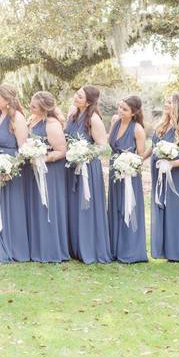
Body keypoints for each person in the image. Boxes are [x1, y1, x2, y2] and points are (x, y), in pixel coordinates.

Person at [148, 93, 179, 262]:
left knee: (178, 211)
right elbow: (153, 146)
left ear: (178, 106)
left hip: (177, 176)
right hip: (158, 173)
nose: (166, 104)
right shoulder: (163, 124)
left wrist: (171, 164)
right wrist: (140, 158)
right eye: (166, 101)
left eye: (169, 102)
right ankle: (167, 250)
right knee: (164, 209)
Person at [65, 85, 112, 264]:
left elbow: (102, 147)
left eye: (80, 96)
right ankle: (74, 247)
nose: (76, 97)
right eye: (76, 94)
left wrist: (84, 153)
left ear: (89, 101)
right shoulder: (72, 113)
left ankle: (90, 247)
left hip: (87, 168)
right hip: (72, 166)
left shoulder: (93, 119)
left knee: (86, 207)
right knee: (73, 205)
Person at [25, 91, 69, 263]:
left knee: (47, 207)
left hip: (49, 172)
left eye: (34, 105)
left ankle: (50, 249)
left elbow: (61, 151)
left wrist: (43, 158)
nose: (30, 106)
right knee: (36, 206)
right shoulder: (32, 119)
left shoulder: (51, 123)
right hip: (33, 171)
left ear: (43, 107)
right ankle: (35, 246)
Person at [0, 84, 31, 263]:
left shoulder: (17, 118)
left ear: (7, 100)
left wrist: (10, 168)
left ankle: (13, 246)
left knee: (10, 206)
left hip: (10, 169)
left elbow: (23, 148)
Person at [107, 95, 148, 264]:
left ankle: (131, 250)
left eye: (125, 109)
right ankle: (114, 249)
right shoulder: (115, 122)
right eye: (120, 107)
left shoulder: (137, 128)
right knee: (115, 206)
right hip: (114, 170)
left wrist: (130, 164)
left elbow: (140, 155)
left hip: (129, 173)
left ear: (134, 112)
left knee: (129, 207)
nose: (120, 111)